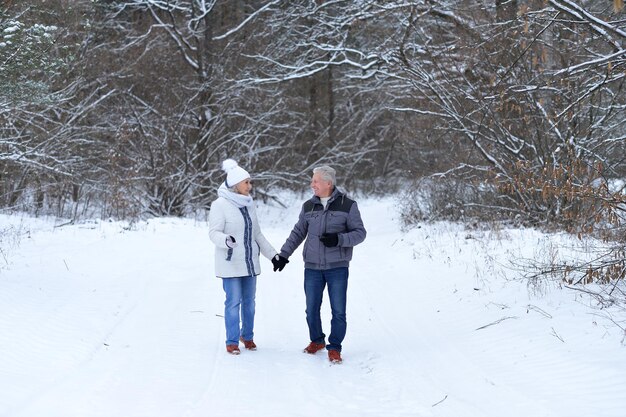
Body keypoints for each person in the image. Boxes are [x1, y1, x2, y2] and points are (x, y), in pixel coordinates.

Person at [273, 165, 366, 364]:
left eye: (315, 181)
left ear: (328, 183)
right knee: (311, 308)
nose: (311, 184)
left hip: (337, 267)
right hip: (313, 267)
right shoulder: (308, 206)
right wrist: (283, 255)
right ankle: (317, 340)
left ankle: (335, 347)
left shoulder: (348, 205)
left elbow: (360, 233)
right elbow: (298, 232)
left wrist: (339, 239)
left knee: (338, 310)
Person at [209, 159, 279, 355]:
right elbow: (213, 233)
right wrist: (226, 240)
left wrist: (273, 256)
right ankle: (232, 341)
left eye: (250, 182)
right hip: (230, 263)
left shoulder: (249, 204)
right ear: (235, 184)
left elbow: (257, 234)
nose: (250, 186)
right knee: (233, 302)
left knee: (250, 302)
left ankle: (247, 336)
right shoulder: (220, 205)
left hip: (249, 263)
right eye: (246, 182)